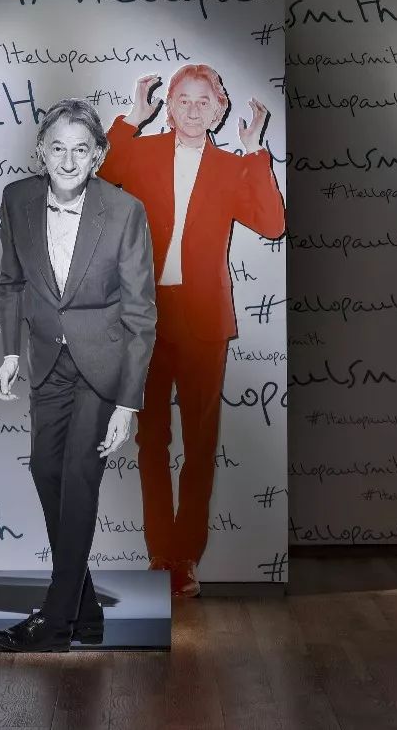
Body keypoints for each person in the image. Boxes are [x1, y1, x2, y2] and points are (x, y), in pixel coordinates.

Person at [97, 65, 285, 596]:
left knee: (201, 444)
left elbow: (273, 224)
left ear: (220, 111)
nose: (195, 108)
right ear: (169, 106)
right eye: (184, 99)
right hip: (147, 318)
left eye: (205, 101)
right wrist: (131, 118)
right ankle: (160, 553)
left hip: (204, 319)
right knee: (151, 440)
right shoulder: (143, 152)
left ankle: (186, 559)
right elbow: (99, 174)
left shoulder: (232, 166)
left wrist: (255, 152)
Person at [0, 98, 156, 652]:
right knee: (45, 470)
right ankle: (85, 610)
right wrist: (10, 354)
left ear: (98, 156)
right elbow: (11, 282)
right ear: (41, 150)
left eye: (81, 150)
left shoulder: (125, 211)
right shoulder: (17, 199)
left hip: (103, 368)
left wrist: (128, 403)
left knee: (80, 477)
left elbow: (140, 314)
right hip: (46, 363)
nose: (67, 160)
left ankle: (55, 621)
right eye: (57, 148)